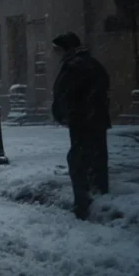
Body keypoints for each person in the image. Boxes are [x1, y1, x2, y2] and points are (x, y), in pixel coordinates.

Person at [51, 31, 111, 220]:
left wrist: (65, 113)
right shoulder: (91, 63)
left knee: (78, 159)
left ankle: (83, 203)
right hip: (95, 119)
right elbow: (103, 86)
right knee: (96, 156)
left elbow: (67, 94)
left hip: (82, 120)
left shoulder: (74, 67)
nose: (56, 55)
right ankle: (98, 191)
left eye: (58, 50)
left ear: (66, 49)